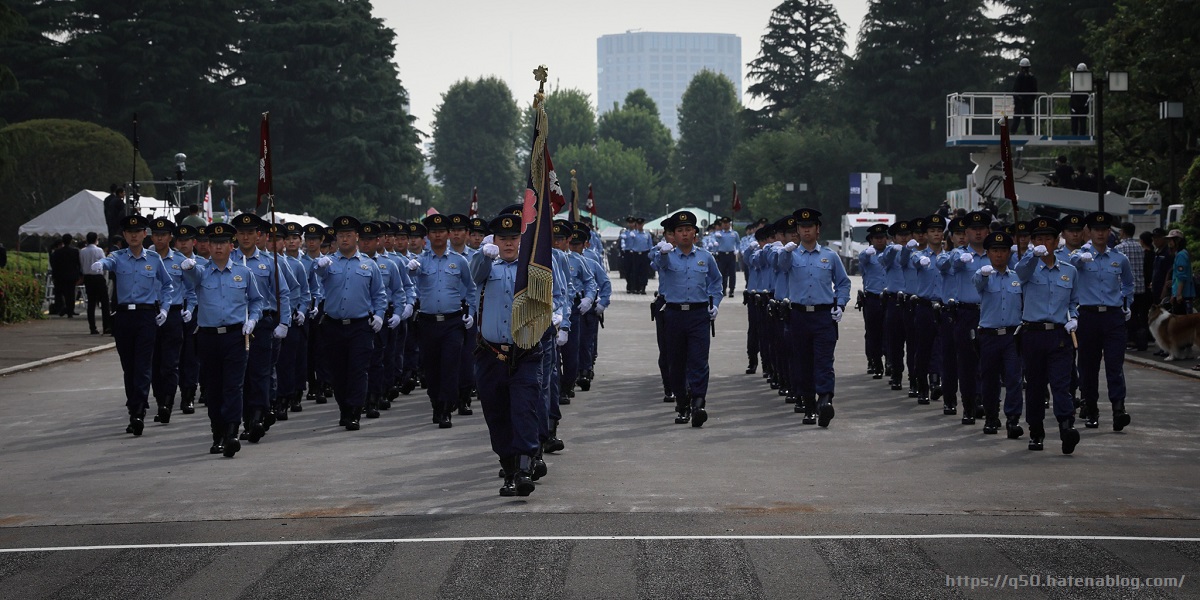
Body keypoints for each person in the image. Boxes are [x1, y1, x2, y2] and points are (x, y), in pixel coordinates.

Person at [469, 213, 544, 496]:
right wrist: (484, 255)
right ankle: (509, 470)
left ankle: (525, 467)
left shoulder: (532, 269)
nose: (509, 243)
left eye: (514, 238)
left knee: (524, 409)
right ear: (494, 240)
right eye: (503, 239)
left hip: (525, 352)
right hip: (491, 353)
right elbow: (474, 273)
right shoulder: (487, 265)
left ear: (521, 240)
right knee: (497, 413)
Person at [179, 222, 264, 457]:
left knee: (233, 386)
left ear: (231, 245)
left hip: (236, 336)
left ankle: (232, 432)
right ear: (208, 246)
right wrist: (188, 267)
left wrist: (253, 319)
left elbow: (257, 300)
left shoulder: (243, 272)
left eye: (223, 243)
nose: (218, 247)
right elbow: (191, 277)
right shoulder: (201, 271)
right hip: (208, 337)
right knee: (214, 388)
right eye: (214, 243)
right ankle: (217, 433)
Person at [88, 214, 176, 436]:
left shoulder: (153, 259)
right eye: (130, 232)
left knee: (143, 365)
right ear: (125, 235)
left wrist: (165, 308)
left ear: (145, 234)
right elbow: (108, 262)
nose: (134, 235)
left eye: (138, 232)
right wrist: (100, 264)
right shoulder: (118, 257)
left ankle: (138, 412)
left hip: (146, 316)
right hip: (124, 316)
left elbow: (168, 285)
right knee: (129, 366)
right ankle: (134, 405)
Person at [771, 209, 850, 426]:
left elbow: (843, 283)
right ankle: (808, 405)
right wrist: (786, 252)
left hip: (823, 316)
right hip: (799, 315)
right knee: (802, 362)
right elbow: (781, 267)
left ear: (817, 229)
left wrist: (840, 304)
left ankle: (825, 400)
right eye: (802, 227)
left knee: (824, 361)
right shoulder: (790, 255)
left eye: (810, 226)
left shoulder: (830, 256)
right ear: (797, 230)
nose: (806, 230)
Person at [313, 216, 388, 430]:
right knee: (338, 372)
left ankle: (355, 410)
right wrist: (319, 266)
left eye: (348, 235)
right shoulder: (328, 263)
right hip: (334, 325)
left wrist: (379, 315)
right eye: (340, 235)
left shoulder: (369, 264)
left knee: (358, 370)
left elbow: (379, 294)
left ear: (356, 237)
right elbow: (317, 276)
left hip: (360, 326)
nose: (344, 239)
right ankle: (344, 408)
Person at [1015, 217, 1081, 453]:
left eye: (1048, 238)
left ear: (1056, 241)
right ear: (1033, 242)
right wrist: (1032, 255)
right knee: (1035, 386)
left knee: (1062, 384)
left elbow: (1074, 301)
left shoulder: (1069, 271)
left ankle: (1066, 427)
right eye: (1039, 238)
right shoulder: (1028, 267)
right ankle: (1036, 432)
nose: (1044, 242)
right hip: (1033, 334)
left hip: (1059, 335)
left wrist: (1074, 317)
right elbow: (1020, 273)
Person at [652, 210, 722, 427]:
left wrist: (715, 303)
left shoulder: (705, 257)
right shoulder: (667, 255)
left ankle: (698, 403)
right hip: (674, 314)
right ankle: (682, 403)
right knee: (676, 362)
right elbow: (657, 264)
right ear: (674, 234)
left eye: (688, 230)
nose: (684, 234)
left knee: (699, 360)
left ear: (695, 233)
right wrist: (663, 252)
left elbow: (716, 281)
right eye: (680, 230)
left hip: (698, 314)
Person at [408, 213, 478, 428]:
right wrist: (411, 270)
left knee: (450, 365)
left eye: (441, 232)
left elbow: (471, 288)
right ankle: (436, 402)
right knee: (431, 367)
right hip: (428, 321)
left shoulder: (459, 261)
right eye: (433, 232)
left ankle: (446, 408)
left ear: (448, 234)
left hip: (452, 322)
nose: (437, 235)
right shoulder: (420, 261)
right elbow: (410, 282)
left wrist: (471, 312)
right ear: (428, 236)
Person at [230, 213, 292, 442]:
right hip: (236, 324)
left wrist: (284, 322)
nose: (246, 237)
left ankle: (256, 417)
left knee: (260, 373)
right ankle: (245, 419)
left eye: (250, 233)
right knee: (241, 376)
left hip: (263, 324)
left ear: (258, 235)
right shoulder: (229, 260)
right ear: (236, 235)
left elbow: (282, 293)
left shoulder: (269, 261)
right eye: (241, 233)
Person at [1071, 211, 1133, 432]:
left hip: (1113, 316)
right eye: (1096, 230)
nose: (1100, 233)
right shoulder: (1080, 255)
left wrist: (1126, 303)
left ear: (1109, 232)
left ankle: (1119, 409)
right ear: (1089, 231)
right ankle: (1091, 409)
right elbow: (1070, 266)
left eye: (1104, 230)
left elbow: (1128, 283)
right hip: (1088, 316)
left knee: (1115, 364)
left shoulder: (1119, 258)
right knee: (1088, 366)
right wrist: (1080, 259)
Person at [972, 231, 1024, 437]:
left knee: (1014, 378)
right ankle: (991, 417)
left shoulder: (1018, 277)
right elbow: (978, 283)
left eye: (1003, 250)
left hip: (1012, 335)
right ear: (988, 253)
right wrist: (985, 274)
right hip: (989, 336)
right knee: (990, 379)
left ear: (1009, 253)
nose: (999, 254)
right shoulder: (983, 274)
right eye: (994, 250)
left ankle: (1013, 419)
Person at [147, 218, 193, 425]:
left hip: (173, 314)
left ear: (170, 237)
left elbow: (191, 290)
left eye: (163, 235)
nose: (159, 239)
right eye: (156, 235)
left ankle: (167, 403)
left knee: (170, 363)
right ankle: (159, 400)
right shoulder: (145, 258)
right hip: (149, 313)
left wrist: (189, 309)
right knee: (154, 363)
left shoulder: (180, 260)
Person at [1114, 222, 1149, 350]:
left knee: (1129, 315)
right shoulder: (1140, 247)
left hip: (1126, 288)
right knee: (1140, 315)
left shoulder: (1119, 248)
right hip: (1140, 286)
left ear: (1123, 231)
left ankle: (1132, 341)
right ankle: (1142, 340)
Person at [80, 233, 110, 334]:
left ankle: (92, 327)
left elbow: (81, 264)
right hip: (98, 277)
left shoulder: (82, 251)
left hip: (88, 277)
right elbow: (104, 263)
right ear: (96, 239)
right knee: (104, 302)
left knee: (91, 303)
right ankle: (106, 326)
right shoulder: (99, 250)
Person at [50, 234, 82, 317]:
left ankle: (61, 308)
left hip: (60, 276)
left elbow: (54, 265)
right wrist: (79, 275)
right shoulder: (75, 251)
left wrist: (54, 276)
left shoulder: (57, 252)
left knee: (60, 294)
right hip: (71, 276)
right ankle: (70, 311)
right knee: (71, 294)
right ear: (71, 241)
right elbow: (78, 264)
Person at [1166, 229, 1194, 315]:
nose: (1169, 242)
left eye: (1172, 239)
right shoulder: (1180, 254)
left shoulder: (1181, 255)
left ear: (1178, 240)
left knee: (1182, 320)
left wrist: (1178, 294)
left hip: (1183, 295)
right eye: (1169, 239)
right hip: (1180, 294)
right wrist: (1173, 294)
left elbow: (1181, 276)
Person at [712, 217, 740, 298]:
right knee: (722, 273)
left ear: (729, 224)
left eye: (726, 223)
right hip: (722, 254)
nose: (725, 225)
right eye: (724, 223)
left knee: (732, 273)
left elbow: (738, 243)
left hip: (731, 254)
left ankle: (731, 290)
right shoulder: (719, 234)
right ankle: (723, 289)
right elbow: (713, 241)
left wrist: (737, 250)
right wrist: (715, 242)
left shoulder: (734, 233)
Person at [1012, 58, 1038, 135]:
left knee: (1017, 116)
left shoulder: (1019, 76)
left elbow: (1015, 89)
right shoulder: (1032, 77)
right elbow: (1035, 90)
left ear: (1021, 67)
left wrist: (1017, 98)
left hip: (1020, 100)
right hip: (1028, 100)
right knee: (1028, 117)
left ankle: (1013, 131)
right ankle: (1029, 131)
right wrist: (1031, 99)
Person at [1069, 63, 1091, 136]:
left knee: (1079, 120)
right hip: (1078, 102)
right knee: (1079, 120)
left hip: (1079, 102)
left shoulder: (1074, 77)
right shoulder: (1075, 78)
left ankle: (1077, 134)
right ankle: (1078, 134)